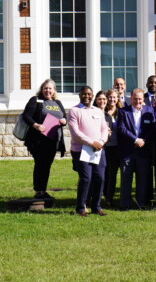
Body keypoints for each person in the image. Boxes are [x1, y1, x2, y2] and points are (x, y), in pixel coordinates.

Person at [22, 79, 66, 200]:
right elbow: (26, 115)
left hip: (53, 140)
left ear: (54, 90)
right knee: (40, 164)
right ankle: (38, 191)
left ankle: (43, 190)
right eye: (45, 88)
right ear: (42, 89)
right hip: (38, 140)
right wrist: (36, 125)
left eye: (50, 88)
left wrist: (64, 121)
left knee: (47, 165)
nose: (47, 90)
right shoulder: (36, 100)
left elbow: (64, 117)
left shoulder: (57, 102)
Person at [67, 86, 108, 217]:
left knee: (100, 178)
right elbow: (75, 133)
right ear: (80, 95)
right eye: (84, 94)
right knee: (86, 178)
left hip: (98, 150)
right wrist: (92, 143)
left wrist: (101, 142)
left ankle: (96, 206)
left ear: (93, 96)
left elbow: (104, 129)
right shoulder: (74, 111)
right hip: (81, 150)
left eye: (89, 94)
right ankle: (81, 207)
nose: (87, 96)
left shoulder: (98, 111)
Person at [117, 88, 156, 210]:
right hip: (128, 150)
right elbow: (122, 128)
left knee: (142, 178)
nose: (137, 101)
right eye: (135, 99)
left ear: (143, 99)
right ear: (131, 98)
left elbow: (152, 128)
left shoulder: (149, 111)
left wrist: (143, 140)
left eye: (140, 99)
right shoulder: (123, 111)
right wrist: (135, 139)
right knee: (126, 178)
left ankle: (141, 203)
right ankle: (125, 204)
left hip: (143, 150)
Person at [103, 89, 123, 206]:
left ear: (118, 99)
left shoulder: (121, 113)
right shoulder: (102, 112)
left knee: (112, 173)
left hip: (117, 147)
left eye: (114, 97)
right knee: (103, 173)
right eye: (110, 97)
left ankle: (109, 197)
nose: (112, 99)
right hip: (104, 147)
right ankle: (102, 194)